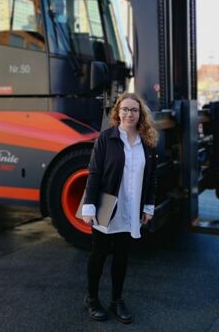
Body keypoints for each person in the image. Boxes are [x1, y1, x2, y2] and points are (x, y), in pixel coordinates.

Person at [81, 92, 158, 324]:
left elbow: (152, 177)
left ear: (140, 114)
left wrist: (149, 206)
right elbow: (94, 173)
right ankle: (92, 299)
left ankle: (116, 300)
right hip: (107, 206)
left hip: (131, 207)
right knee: (99, 253)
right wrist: (89, 206)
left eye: (134, 110)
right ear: (117, 112)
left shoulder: (148, 142)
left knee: (122, 256)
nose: (129, 114)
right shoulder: (106, 138)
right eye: (124, 109)